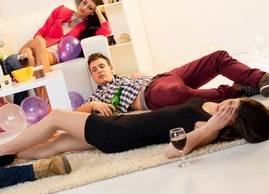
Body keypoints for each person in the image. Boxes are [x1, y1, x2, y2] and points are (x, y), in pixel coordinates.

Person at [0, 97, 269, 166]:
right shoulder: (213, 107)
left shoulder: (209, 128)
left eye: (229, 110)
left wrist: (214, 126)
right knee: (61, 144)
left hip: (119, 134)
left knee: (55, 118)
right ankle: (10, 157)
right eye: (230, 102)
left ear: (232, 122)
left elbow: (171, 151)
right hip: (123, 127)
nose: (223, 106)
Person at [76, 51, 269, 116]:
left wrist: (141, 76)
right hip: (152, 95)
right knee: (179, 93)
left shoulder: (128, 76)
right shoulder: (97, 97)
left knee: (217, 57)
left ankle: (261, 78)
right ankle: (237, 91)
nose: (99, 71)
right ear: (92, 77)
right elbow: (74, 114)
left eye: (102, 66)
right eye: (94, 70)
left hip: (162, 77)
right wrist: (93, 105)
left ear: (111, 68)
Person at [18, 0, 112, 74]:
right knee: (39, 43)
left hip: (54, 54)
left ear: (92, 12)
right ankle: (44, 94)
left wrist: (99, 12)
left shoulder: (87, 28)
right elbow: (42, 31)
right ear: (81, 0)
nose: (84, 7)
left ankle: (42, 92)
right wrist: (39, 43)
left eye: (90, 8)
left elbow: (106, 31)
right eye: (84, 2)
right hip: (37, 44)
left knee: (28, 56)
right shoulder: (61, 10)